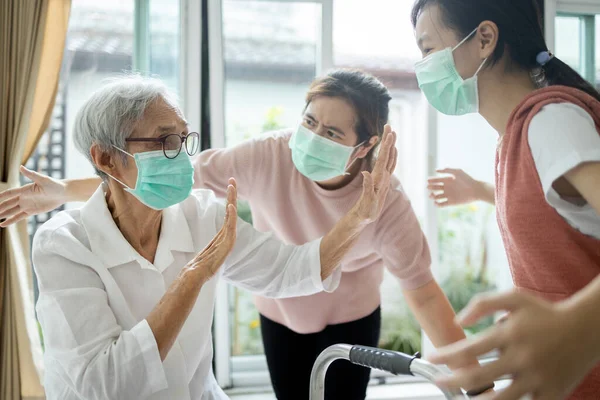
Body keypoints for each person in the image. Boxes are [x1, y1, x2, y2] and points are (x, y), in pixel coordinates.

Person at [0, 70, 487, 398]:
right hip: (276, 323)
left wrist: (360, 215)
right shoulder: (63, 246)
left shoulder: (205, 215)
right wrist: (195, 275)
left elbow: (295, 269)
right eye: (310, 121)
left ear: (366, 147)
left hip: (345, 319)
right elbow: (108, 384)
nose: (182, 157)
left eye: (183, 141)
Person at [411, 0, 600, 398]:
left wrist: (578, 323)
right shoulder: (515, 135)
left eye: (428, 49)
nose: (423, 66)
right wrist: (481, 191)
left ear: (484, 39)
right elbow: (554, 211)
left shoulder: (553, 122)